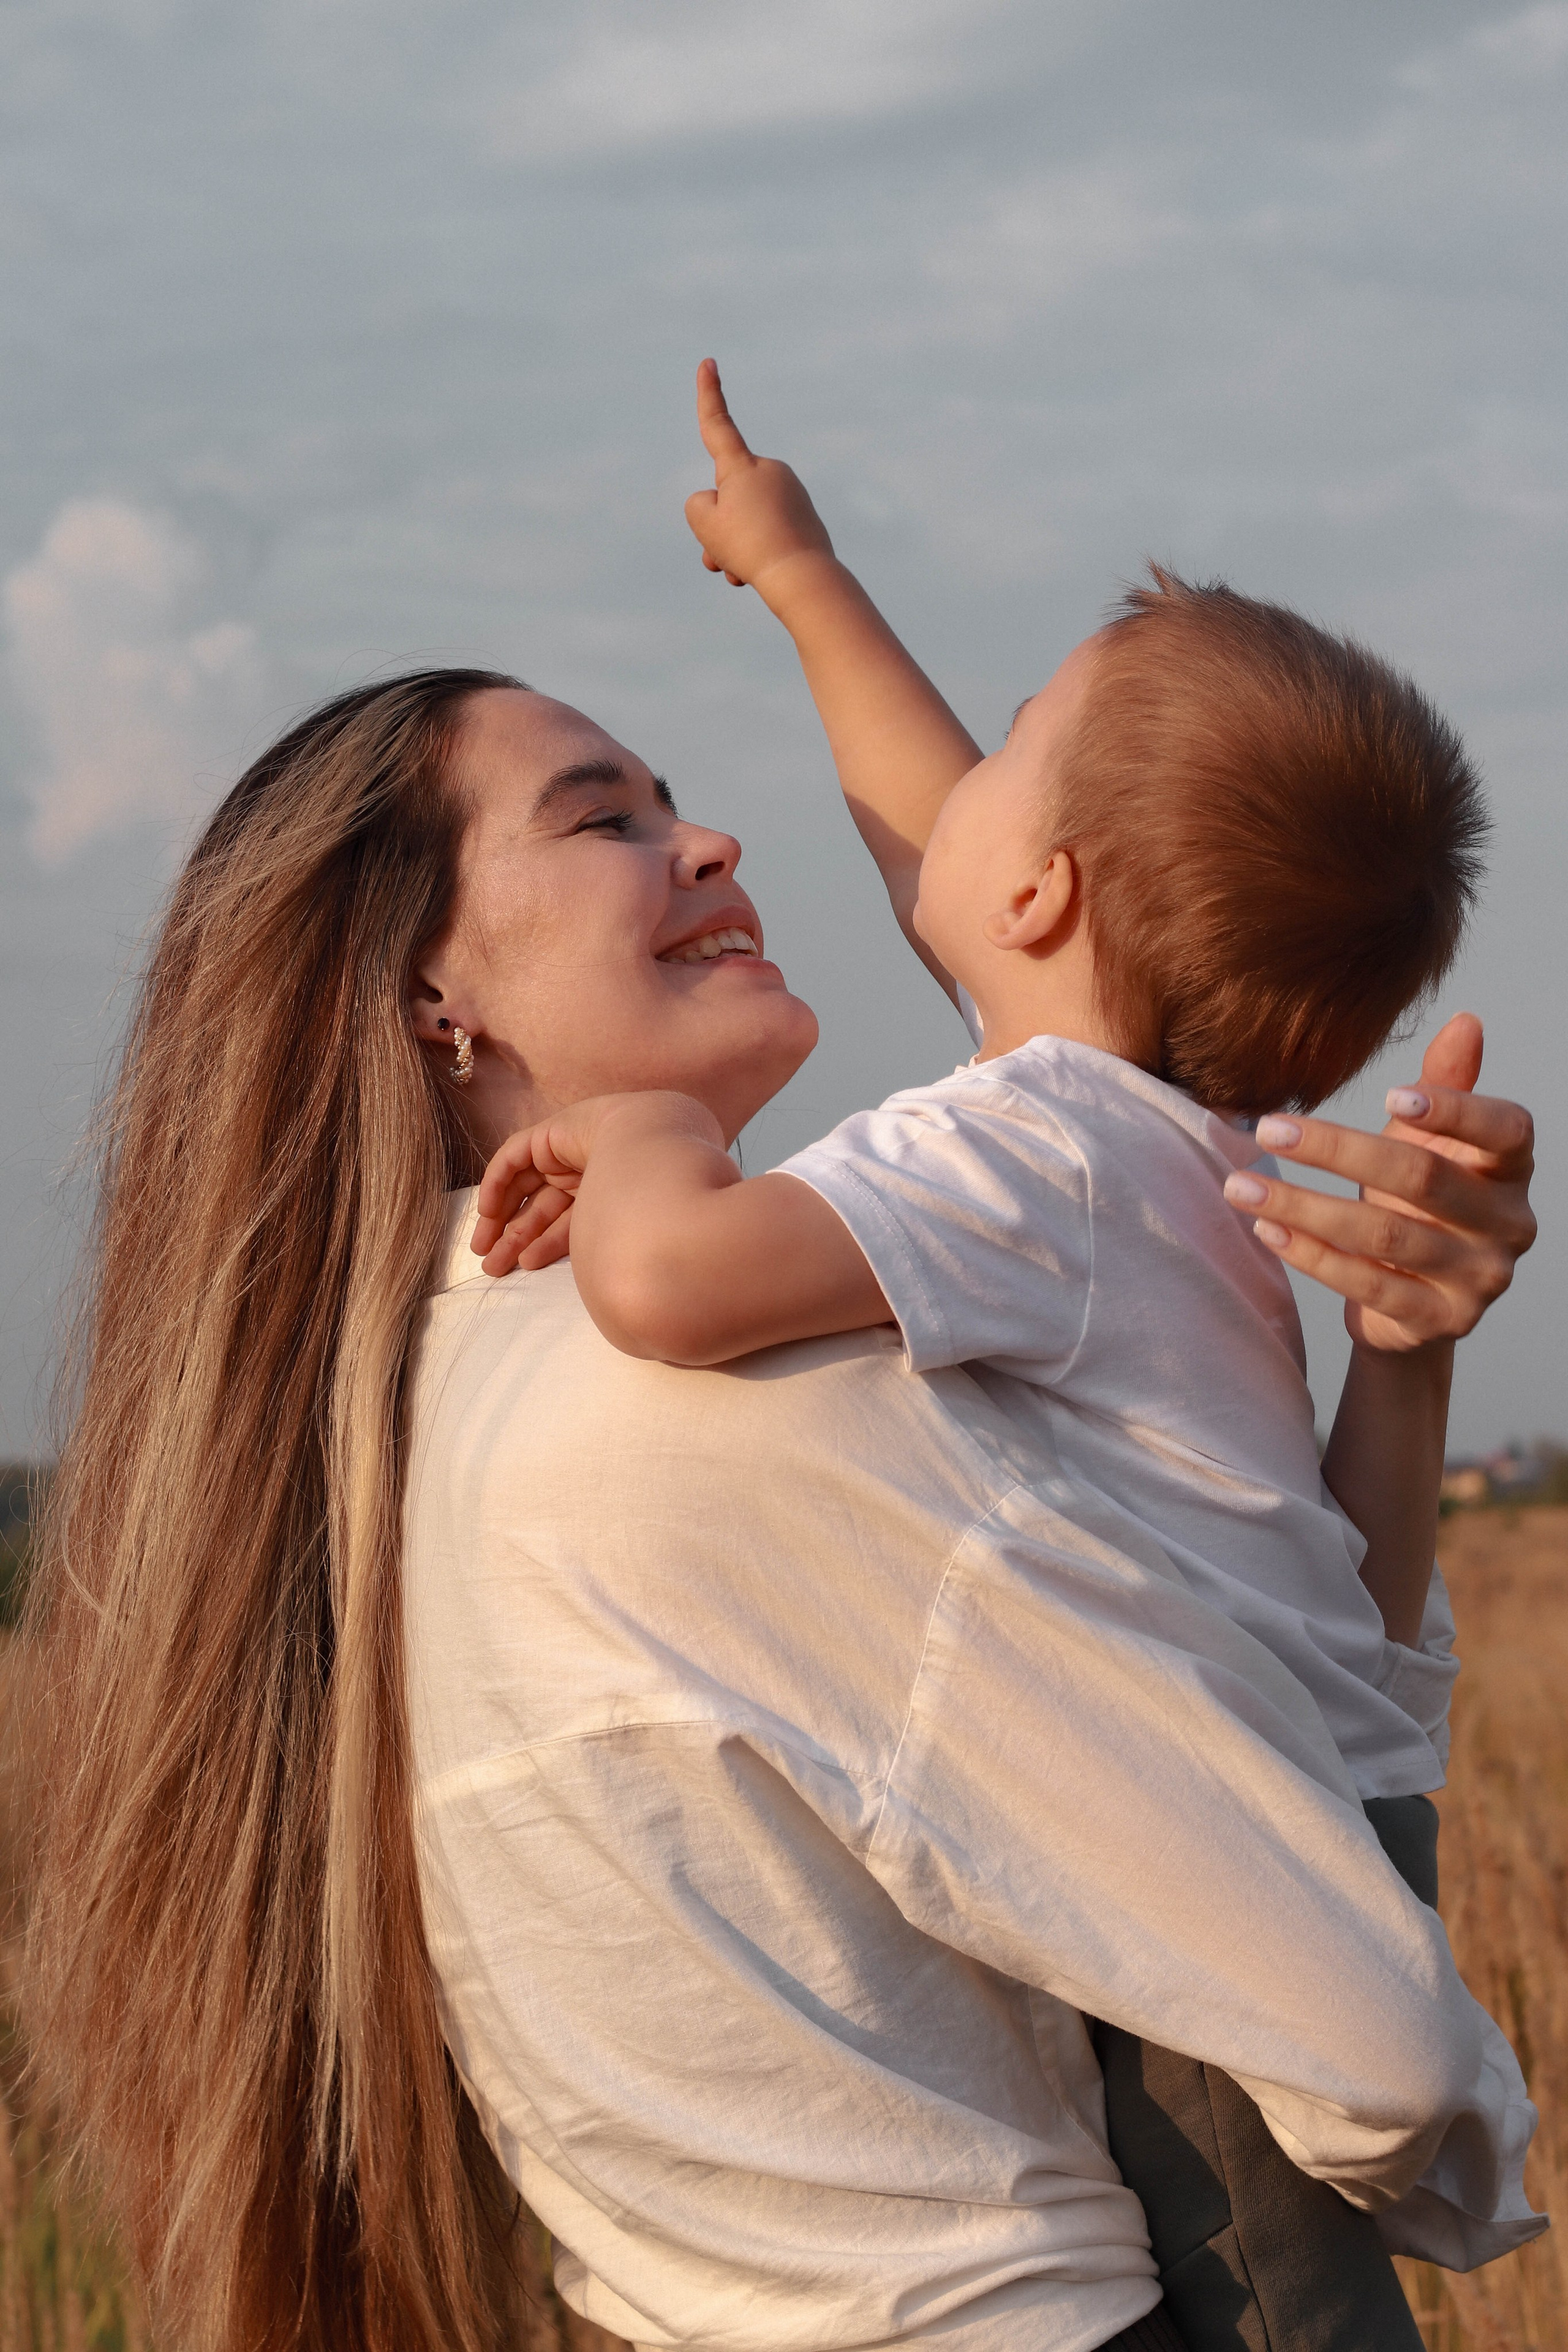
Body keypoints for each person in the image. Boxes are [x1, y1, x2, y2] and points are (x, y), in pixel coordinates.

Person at [21, 603, 1537, 2346]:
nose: (712, 836)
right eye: (608, 820)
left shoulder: (398, 1428)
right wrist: (1466, 2137)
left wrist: (1401, 1352)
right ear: (422, 993)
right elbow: (1376, 2035)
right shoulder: (715, 1397)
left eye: (672, 799)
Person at [466, 374, 1545, 2344]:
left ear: (1039, 894)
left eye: (1011, 748)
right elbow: (947, 848)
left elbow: (679, 1284)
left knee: (1265, 2307)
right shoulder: (1161, 1153)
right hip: (1329, 1803)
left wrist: (637, 1143)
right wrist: (801, 576)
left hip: (1228, 1863)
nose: (945, 781)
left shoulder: (1023, 1156)